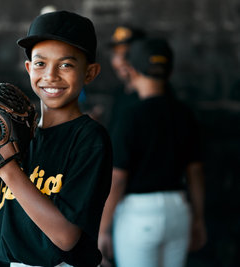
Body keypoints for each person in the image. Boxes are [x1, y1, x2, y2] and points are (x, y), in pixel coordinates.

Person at [0, 10, 113, 267]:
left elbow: (66, 238)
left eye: (66, 64)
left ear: (90, 72)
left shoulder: (90, 139)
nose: (51, 75)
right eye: (41, 63)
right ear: (29, 68)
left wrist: (6, 167)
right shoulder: (19, 134)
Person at [98, 38, 207, 267]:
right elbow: (195, 172)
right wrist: (198, 219)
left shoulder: (130, 115)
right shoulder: (185, 113)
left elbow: (118, 179)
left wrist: (102, 228)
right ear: (169, 71)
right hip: (179, 210)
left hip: (139, 214)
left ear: (132, 70)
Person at [105, 25, 145, 134]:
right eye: (116, 54)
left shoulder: (150, 96)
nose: (122, 61)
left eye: (128, 54)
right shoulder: (119, 93)